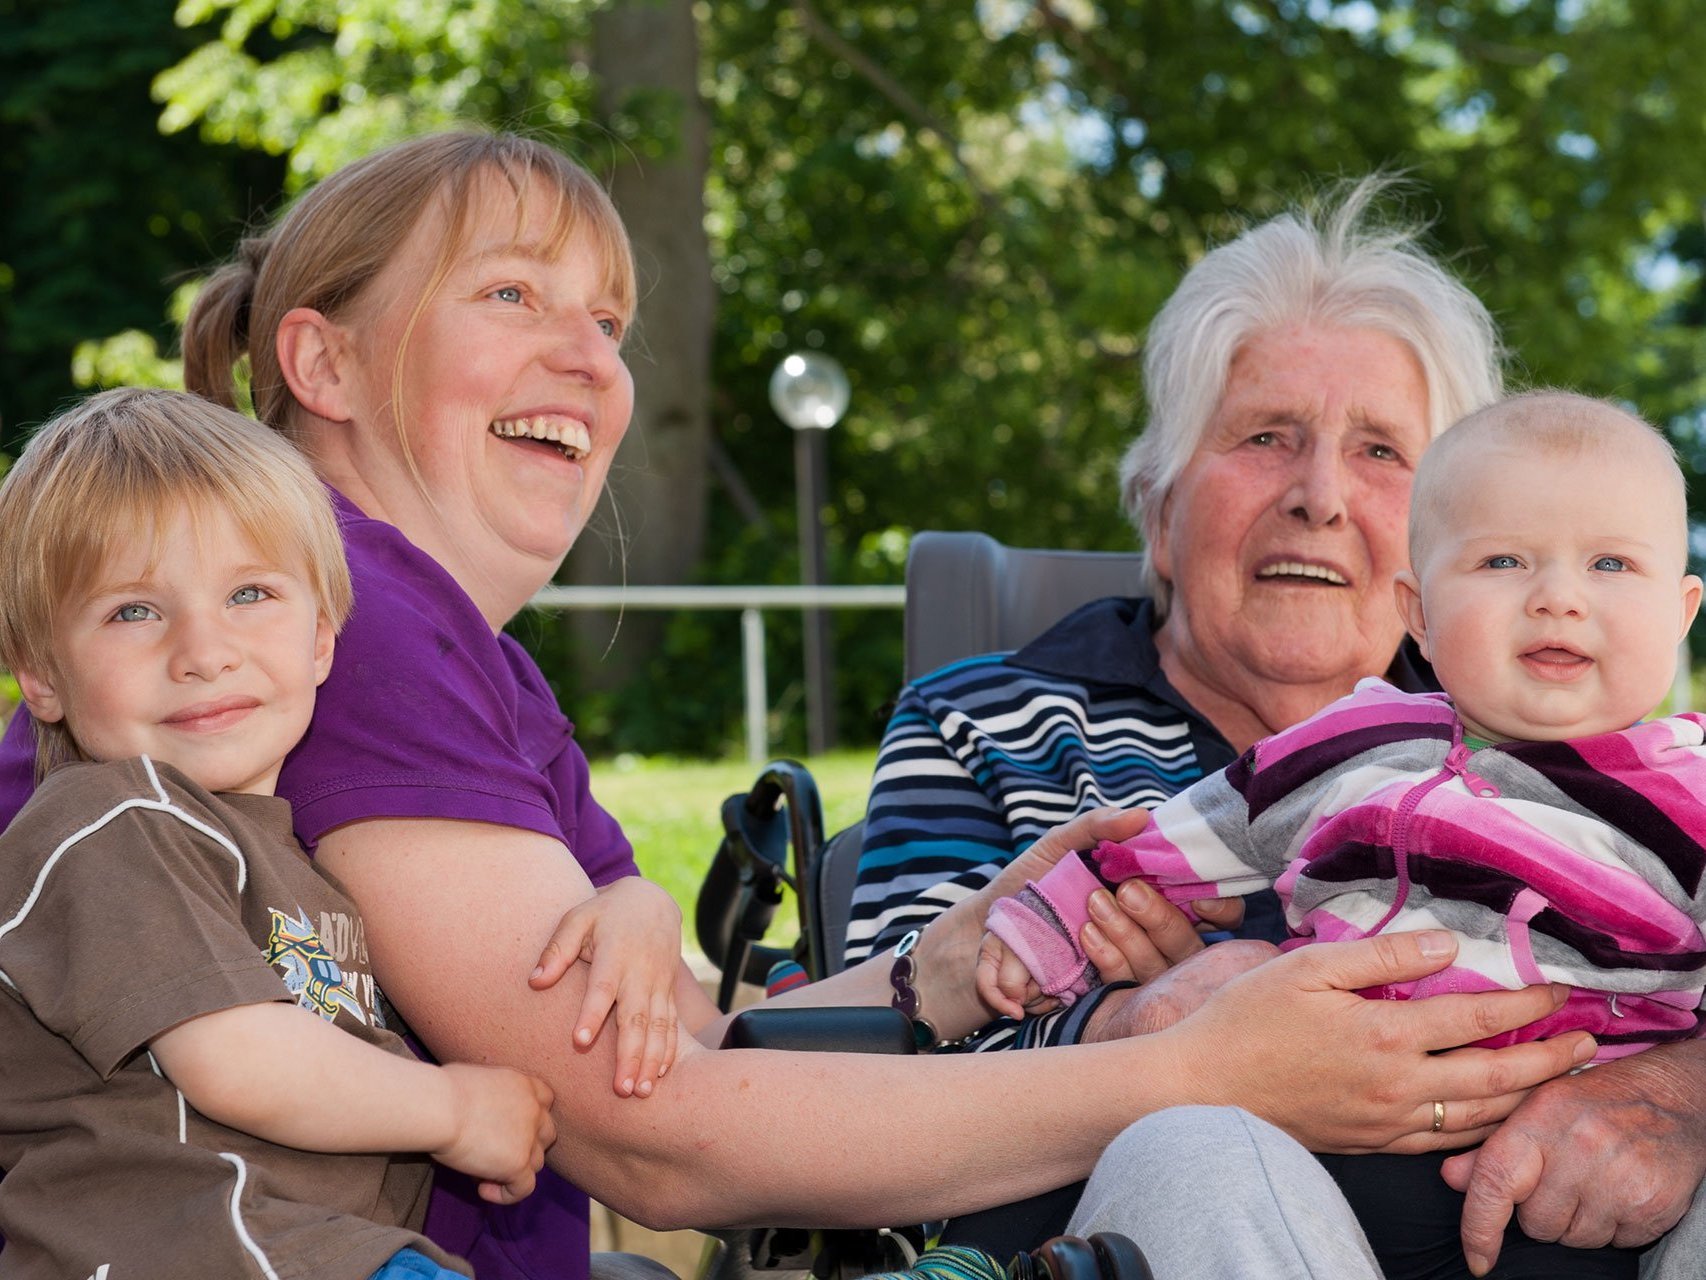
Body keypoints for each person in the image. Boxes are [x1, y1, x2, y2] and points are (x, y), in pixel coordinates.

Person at [0, 133, 1593, 1280]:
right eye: (514, 296)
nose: (590, 359)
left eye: (610, 324)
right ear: (322, 365)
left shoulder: (451, 656)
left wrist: (945, 966)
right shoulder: (339, 618)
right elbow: (655, 1132)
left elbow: (694, 1043)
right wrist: (1188, 1073)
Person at [848, 180, 1706, 1280]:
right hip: (1214, 1215)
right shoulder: (988, 722)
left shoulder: (1627, 763)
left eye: (1382, 452)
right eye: (1266, 435)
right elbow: (872, 1062)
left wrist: (1674, 1085)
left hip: (1572, 1223)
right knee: (1194, 1148)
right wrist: (1130, 1030)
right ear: (1157, 508)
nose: (1319, 496)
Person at [984, 390, 1704, 1278]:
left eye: (1610, 565)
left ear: (1682, 614)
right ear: (1420, 613)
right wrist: (1044, 926)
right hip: (1319, 1162)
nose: (1558, 597)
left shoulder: (1690, 794)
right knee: (1179, 1151)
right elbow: (1183, 838)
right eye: (1506, 560)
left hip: (1569, 1204)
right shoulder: (1353, 742)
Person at [0, 387, 559, 1280]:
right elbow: (238, 1060)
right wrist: (455, 1110)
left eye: (250, 593)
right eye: (133, 612)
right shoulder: (109, 823)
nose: (204, 651)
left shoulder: (285, 858)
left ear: (323, 639)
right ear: (42, 678)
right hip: (207, 1251)